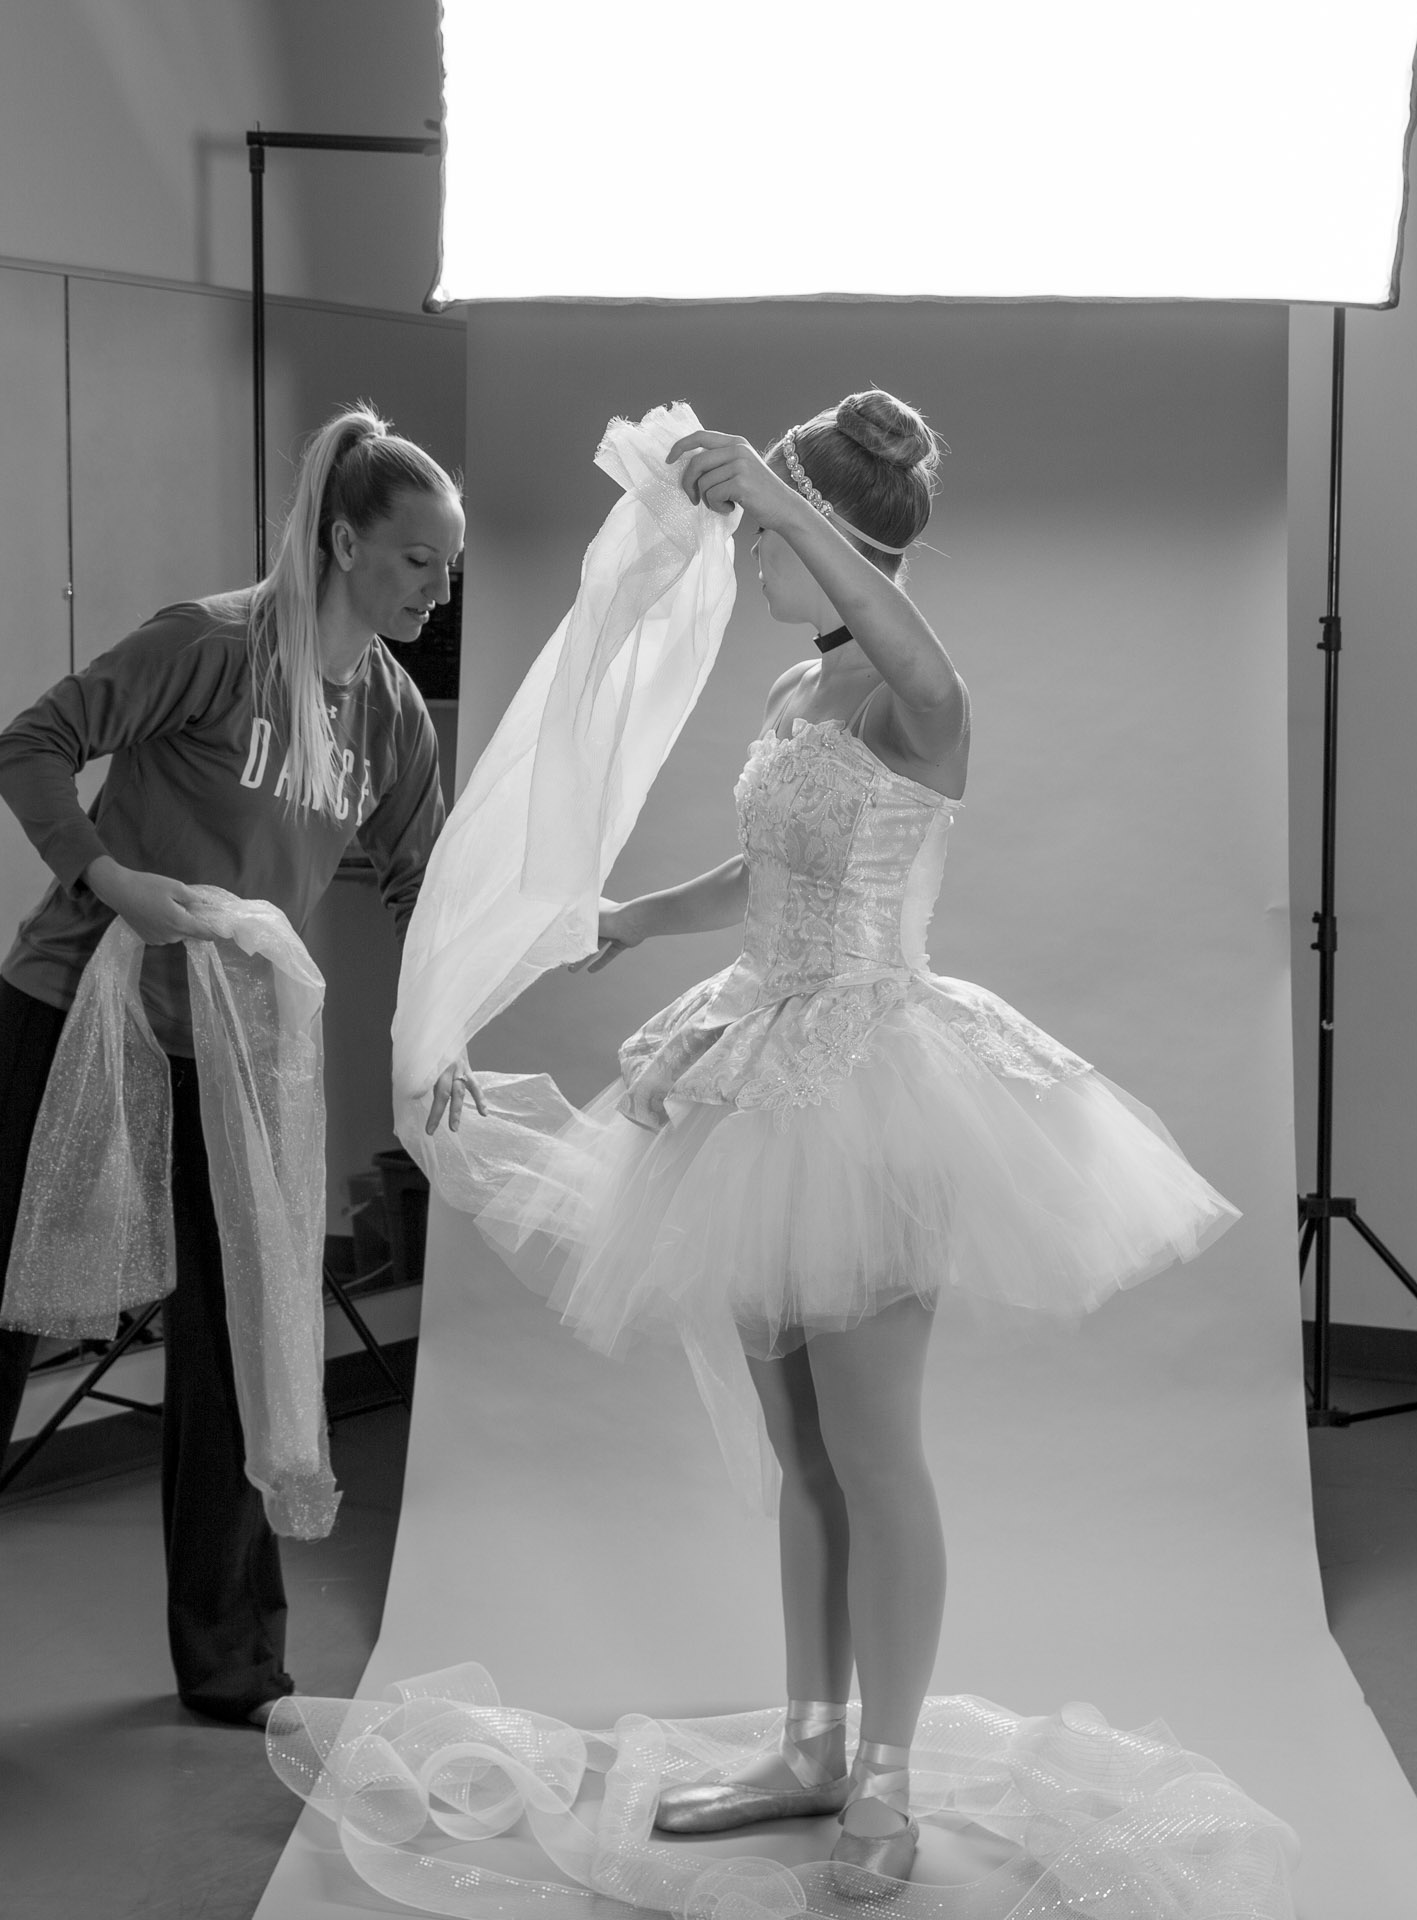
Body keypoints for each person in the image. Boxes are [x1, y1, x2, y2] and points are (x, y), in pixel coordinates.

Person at [511, 391, 1240, 1881]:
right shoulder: (801, 695)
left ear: (824, 533)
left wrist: (786, 509)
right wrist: (635, 920)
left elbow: (912, 649)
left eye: (771, 530)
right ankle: (810, 1740)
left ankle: (887, 1783)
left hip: (872, 1088)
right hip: (759, 1062)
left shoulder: (923, 698)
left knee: (873, 1447)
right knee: (801, 1451)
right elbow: (765, 868)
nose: (750, 556)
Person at [0, 403, 483, 1757]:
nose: (438, 588)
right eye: (419, 561)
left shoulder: (390, 711)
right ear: (345, 540)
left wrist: (447, 1028)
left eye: (450, 567)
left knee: (242, 1339)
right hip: (79, 1015)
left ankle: (234, 1666)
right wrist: (112, 878)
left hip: (243, 1053)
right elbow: (27, 745)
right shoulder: (210, 645)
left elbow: (429, 882)